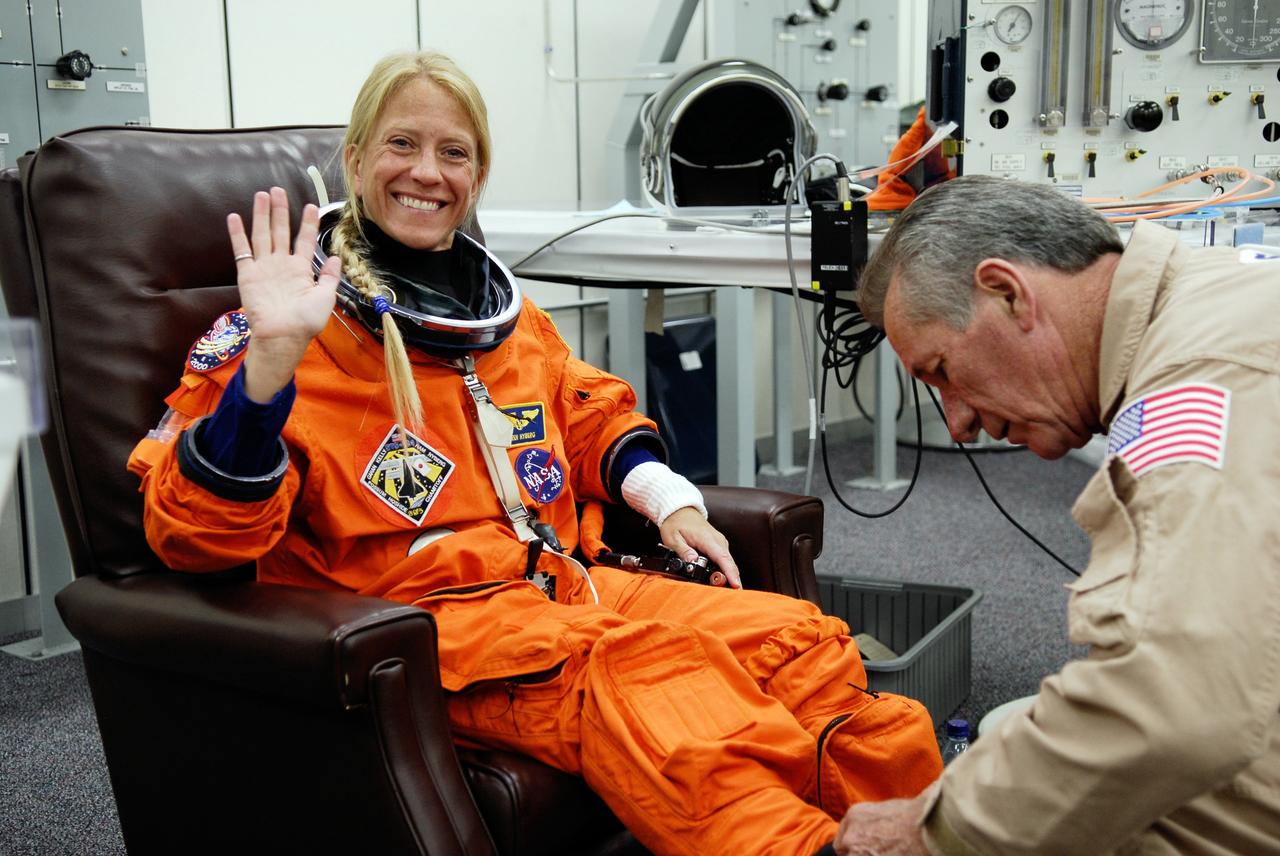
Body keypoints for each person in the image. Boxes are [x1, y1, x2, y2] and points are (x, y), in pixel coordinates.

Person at [127, 50, 942, 855]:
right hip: (433, 628)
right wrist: (267, 372)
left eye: (454, 152)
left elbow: (584, 411)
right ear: (356, 160)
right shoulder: (281, 336)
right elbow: (193, 540)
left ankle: (921, 838)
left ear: (476, 177)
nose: (427, 171)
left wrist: (665, 496)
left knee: (799, 641)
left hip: (561, 584)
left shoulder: (507, 322)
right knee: (654, 677)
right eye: (401, 144)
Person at [835, 174, 1280, 854]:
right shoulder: (1208, 304)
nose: (957, 424)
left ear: (1009, 293)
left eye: (944, 372)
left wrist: (939, 832)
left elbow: (1174, 709)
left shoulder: (1195, 391)